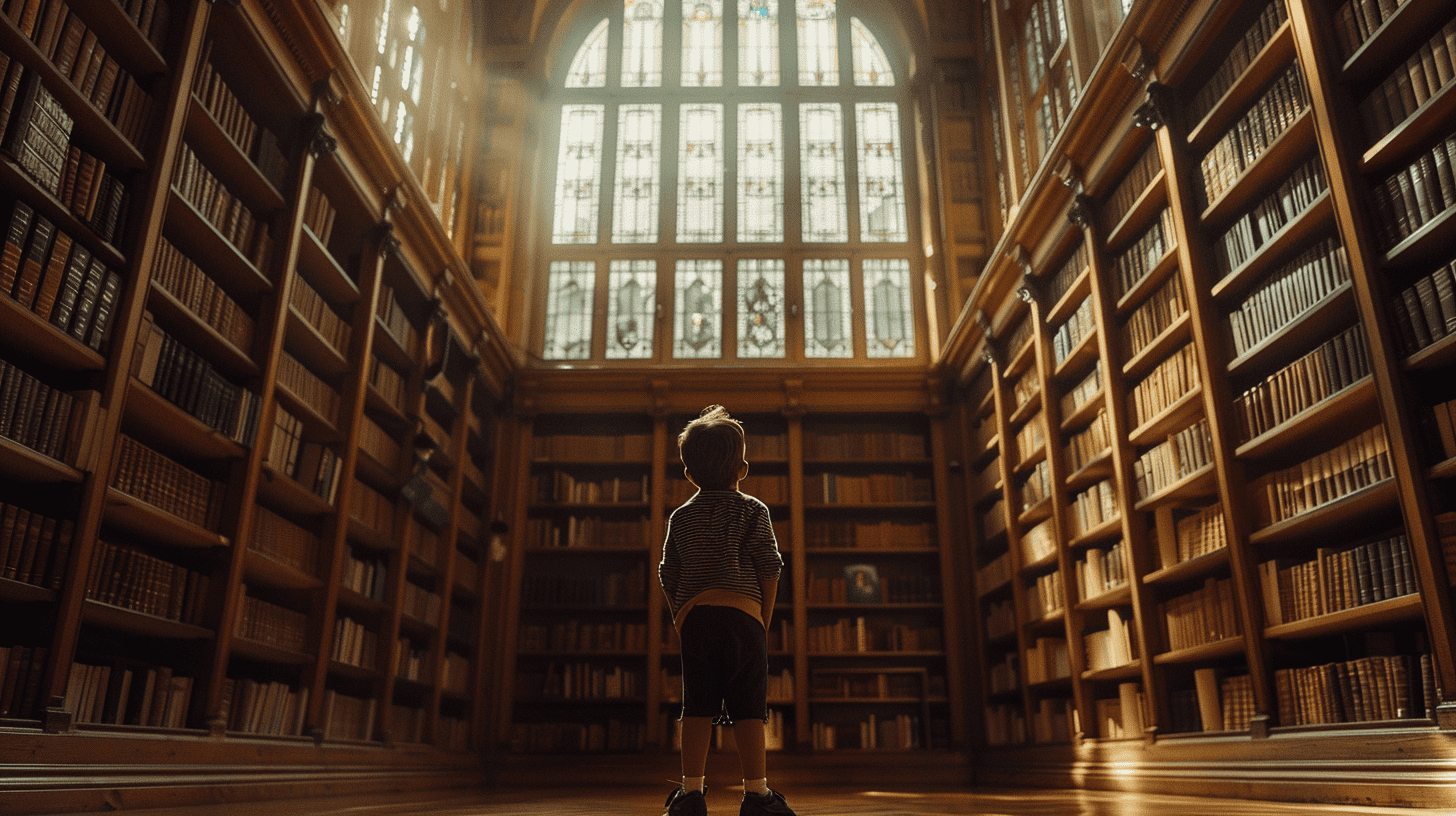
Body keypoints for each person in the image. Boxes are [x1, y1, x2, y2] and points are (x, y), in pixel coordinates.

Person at [658, 406, 795, 816]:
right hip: (745, 619)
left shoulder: (680, 517)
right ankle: (757, 794)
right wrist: (763, 619)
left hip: (696, 620)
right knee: (750, 708)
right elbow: (769, 567)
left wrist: (681, 618)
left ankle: (690, 794)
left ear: (688, 474)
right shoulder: (754, 510)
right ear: (744, 469)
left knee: (696, 705)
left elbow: (668, 574)